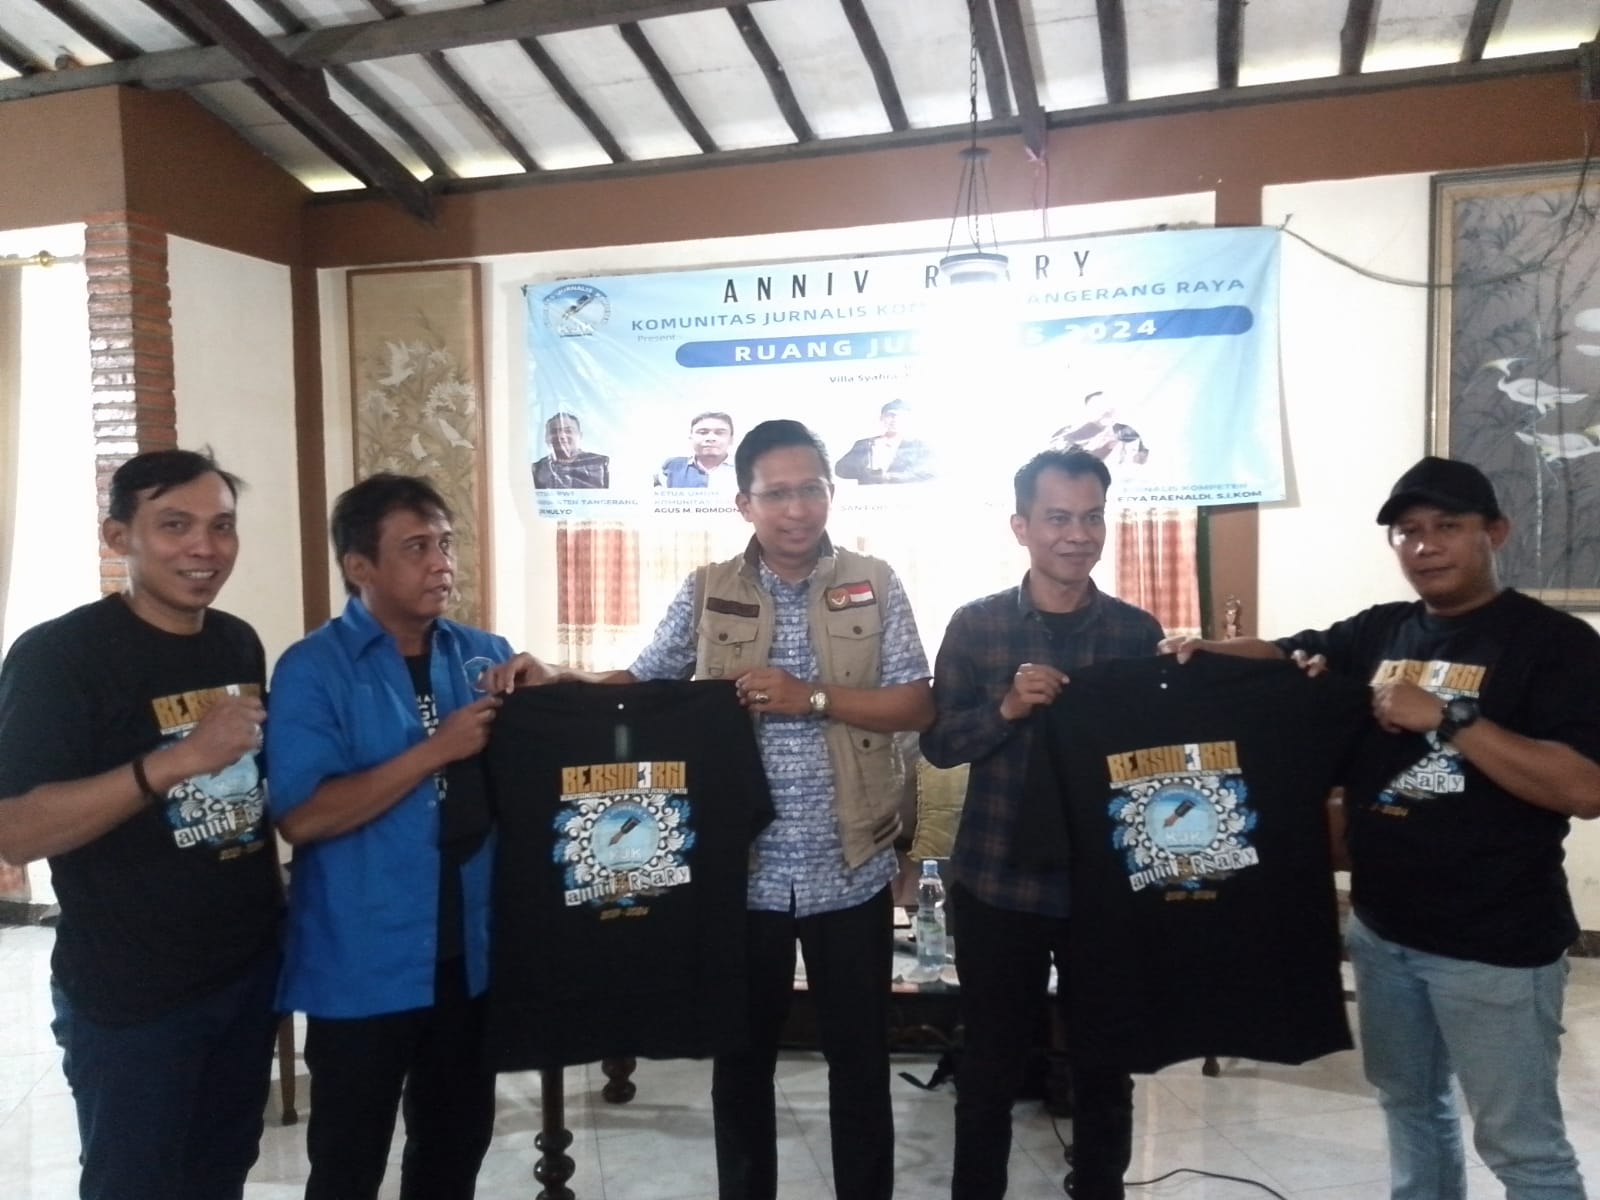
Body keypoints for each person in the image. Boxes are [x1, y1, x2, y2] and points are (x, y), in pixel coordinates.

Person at [1166, 455, 1600, 1200]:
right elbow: (1279, 655)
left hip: (1495, 944)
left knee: (1522, 1148)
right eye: (1408, 531)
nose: (1425, 545)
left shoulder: (1555, 644)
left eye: (1447, 527)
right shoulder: (1379, 631)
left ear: (1494, 532)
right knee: (1412, 1110)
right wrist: (1202, 649)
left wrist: (1451, 718)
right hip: (1383, 932)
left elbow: (1584, 789)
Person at [530, 418, 935, 1200]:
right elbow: (642, 684)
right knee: (742, 1065)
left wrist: (810, 697)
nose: (796, 509)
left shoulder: (875, 582)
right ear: (744, 503)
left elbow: (916, 704)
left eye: (810, 489)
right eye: (776, 494)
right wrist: (554, 680)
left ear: (832, 491)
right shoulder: (709, 590)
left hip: (850, 865)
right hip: (742, 872)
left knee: (860, 1064)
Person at [0, 448, 281, 1200]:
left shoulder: (236, 641)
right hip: (132, 995)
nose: (205, 547)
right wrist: (177, 760)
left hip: (245, 974)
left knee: (221, 1172)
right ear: (118, 536)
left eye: (222, 526)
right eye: (175, 525)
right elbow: (15, 830)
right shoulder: (60, 656)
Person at [265, 473, 540, 1200]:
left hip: (468, 959)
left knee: (454, 1150)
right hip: (363, 962)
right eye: (417, 547)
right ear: (359, 565)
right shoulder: (313, 668)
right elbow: (303, 816)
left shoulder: (481, 653)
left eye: (446, 544)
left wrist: (551, 683)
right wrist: (434, 752)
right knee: (348, 1162)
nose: (441, 564)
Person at [921, 448, 1164, 1200]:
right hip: (997, 883)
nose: (1077, 534)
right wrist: (1006, 708)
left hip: (1103, 888)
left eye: (1092, 517)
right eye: (1058, 518)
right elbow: (939, 743)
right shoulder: (977, 625)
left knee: (1105, 1069)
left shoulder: (1134, 633)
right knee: (989, 1068)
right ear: (1021, 526)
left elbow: (1153, 763)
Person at [835, 399, 936, 484]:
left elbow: (929, 472)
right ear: (881, 418)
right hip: (868, 497)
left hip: (905, 497)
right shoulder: (865, 444)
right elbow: (840, 469)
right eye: (890, 415)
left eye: (901, 416)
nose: (895, 420)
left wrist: (889, 477)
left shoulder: (919, 447)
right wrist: (867, 464)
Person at [657, 410, 738, 490]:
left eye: (720, 433)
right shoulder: (672, 467)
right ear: (691, 437)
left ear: (731, 439)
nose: (710, 438)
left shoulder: (743, 468)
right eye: (703, 432)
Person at [532, 411, 610, 489]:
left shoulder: (600, 464)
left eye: (568, 431)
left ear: (580, 435)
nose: (561, 436)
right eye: (554, 432)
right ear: (547, 438)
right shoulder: (538, 469)